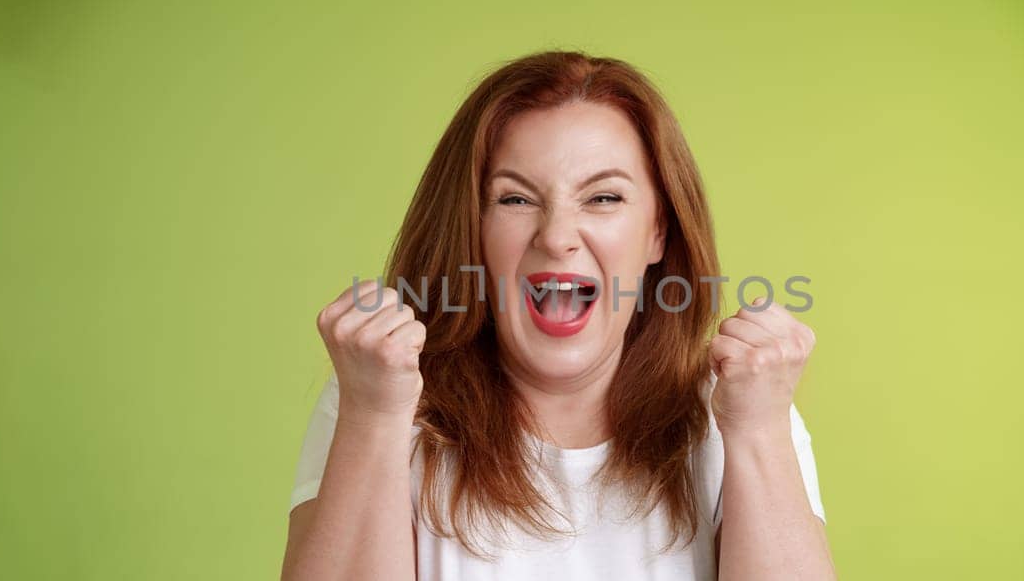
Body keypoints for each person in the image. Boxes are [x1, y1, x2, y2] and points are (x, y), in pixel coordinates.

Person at [280, 50, 835, 580]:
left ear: (658, 232)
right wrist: (374, 416)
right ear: (470, 231)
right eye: (515, 199)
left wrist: (760, 430)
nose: (557, 237)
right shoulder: (381, 401)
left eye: (604, 198)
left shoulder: (735, 413)